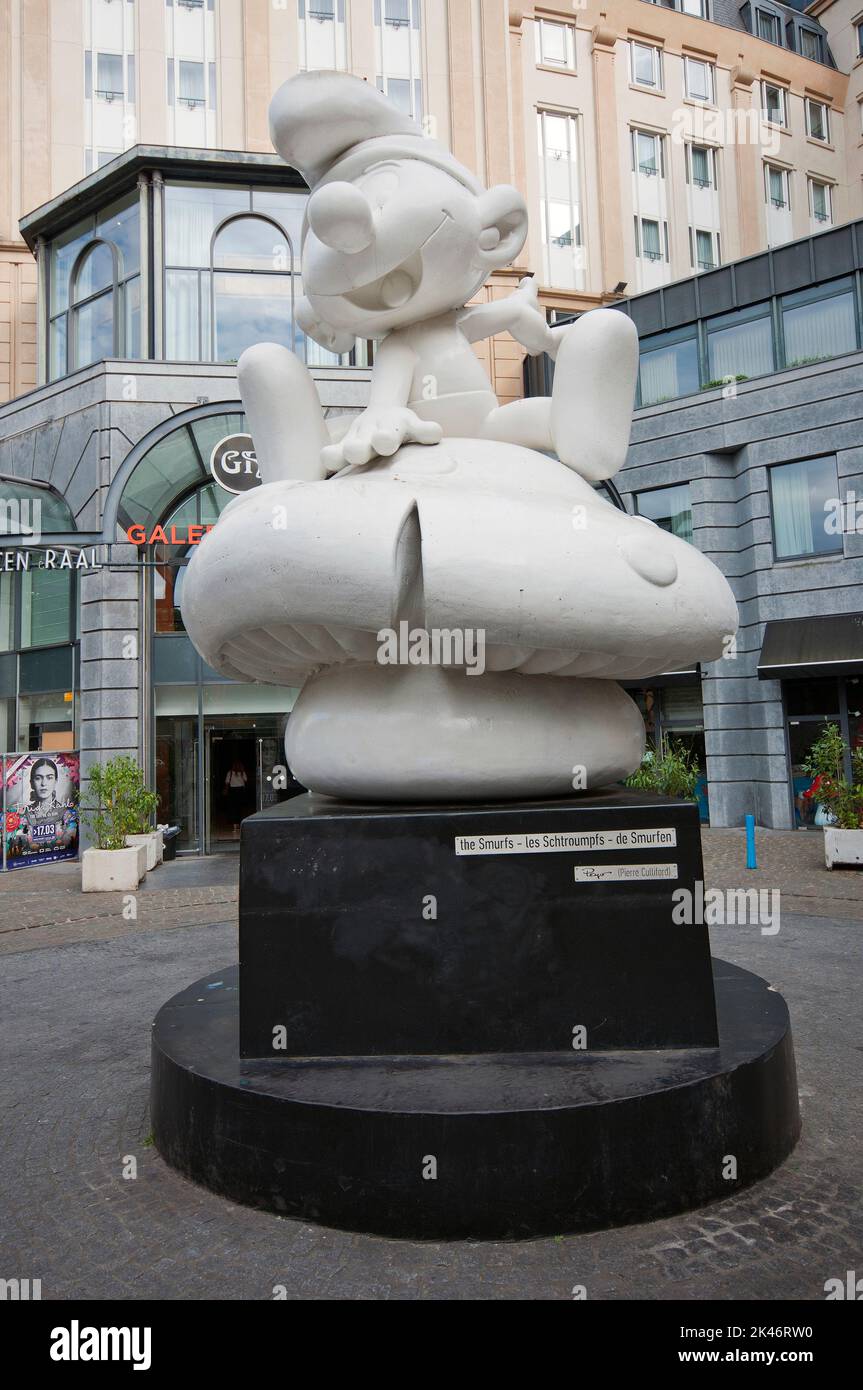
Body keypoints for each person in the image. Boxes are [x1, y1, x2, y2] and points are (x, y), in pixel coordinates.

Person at [223, 758, 249, 837]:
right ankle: (240, 824)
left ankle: (234, 826)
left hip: (233, 792)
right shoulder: (242, 772)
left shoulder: (230, 773)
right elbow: (246, 780)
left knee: (233, 808)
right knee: (240, 808)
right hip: (240, 791)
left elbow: (227, 782)